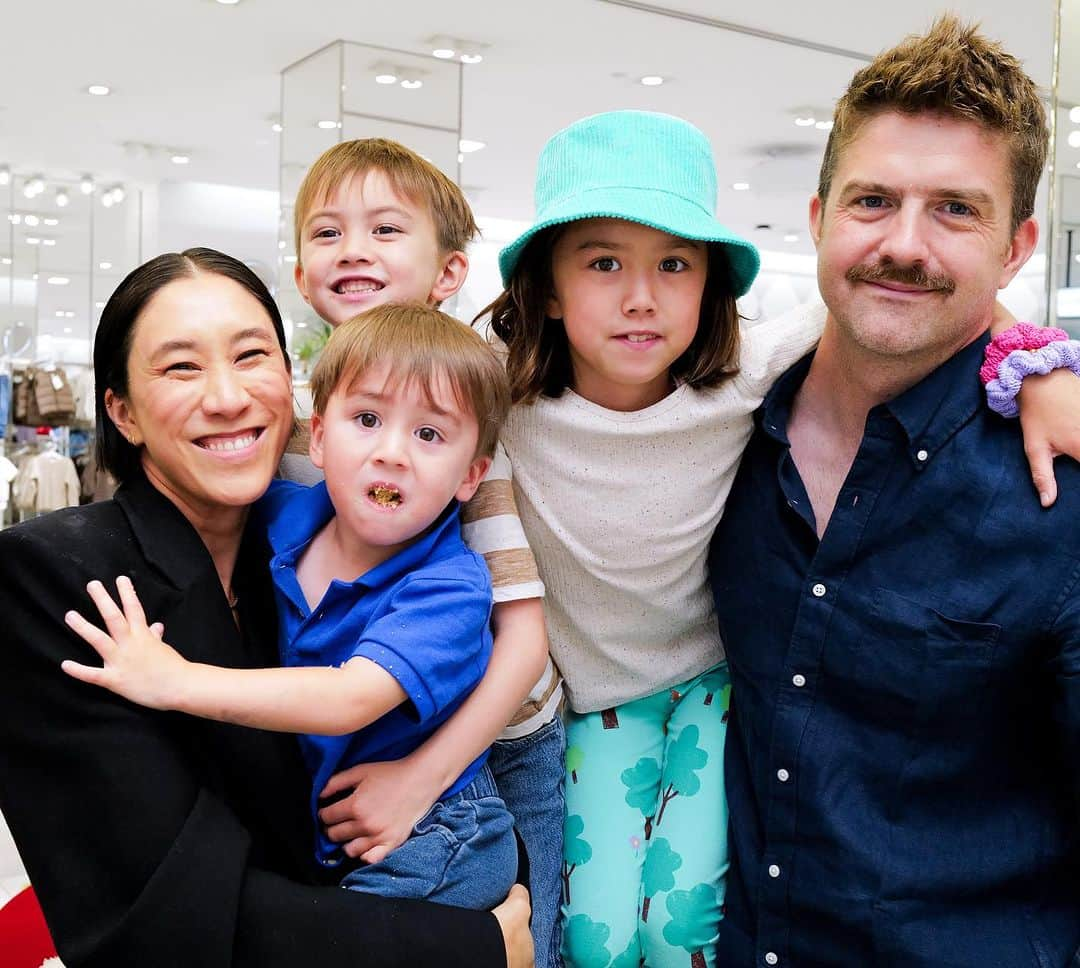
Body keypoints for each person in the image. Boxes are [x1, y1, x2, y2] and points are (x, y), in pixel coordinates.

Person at [0, 248, 531, 967]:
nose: (226, 397)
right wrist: (478, 950)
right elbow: (157, 906)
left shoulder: (330, 536)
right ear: (120, 411)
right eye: (182, 367)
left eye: (251, 355)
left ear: (289, 383)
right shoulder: (60, 574)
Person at [708, 17, 1080, 967]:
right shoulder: (719, 432)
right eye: (873, 200)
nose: (903, 245)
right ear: (819, 216)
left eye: (956, 209)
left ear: (1017, 247)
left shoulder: (1058, 488)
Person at [488, 109, 825, 968]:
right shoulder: (501, 397)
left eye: (675, 264)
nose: (641, 296)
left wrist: (1035, 358)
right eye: (603, 262)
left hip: (713, 685)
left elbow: (891, 291)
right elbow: (378, 360)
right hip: (593, 698)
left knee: (682, 932)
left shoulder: (743, 374)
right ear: (549, 287)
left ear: (711, 284)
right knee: (597, 941)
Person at [283, 137, 562, 966]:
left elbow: (523, 638)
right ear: (301, 274)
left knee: (526, 937)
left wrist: (424, 777)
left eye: (386, 230)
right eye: (327, 233)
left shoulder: (458, 416)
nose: (354, 250)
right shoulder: (304, 419)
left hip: (498, 739)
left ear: (448, 274)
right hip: (379, 726)